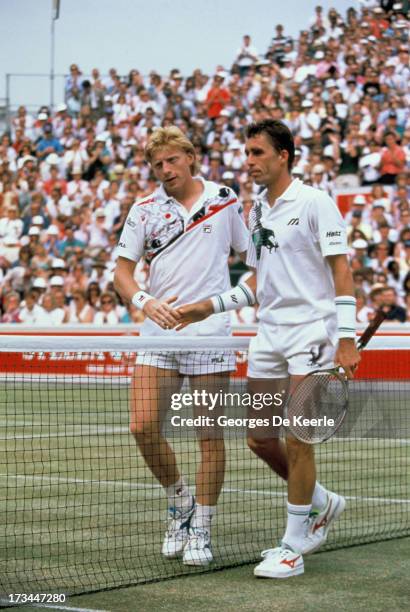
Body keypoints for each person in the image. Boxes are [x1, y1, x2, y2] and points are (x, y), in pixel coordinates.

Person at [175, 119, 360, 578]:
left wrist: (348, 335)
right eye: (247, 153)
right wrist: (209, 306)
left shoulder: (316, 202)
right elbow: (257, 282)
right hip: (269, 334)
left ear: (284, 156)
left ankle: (294, 546)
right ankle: (321, 501)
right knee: (259, 438)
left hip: (312, 333)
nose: (249, 162)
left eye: (258, 153)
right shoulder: (256, 210)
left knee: (298, 437)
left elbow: (341, 270)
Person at [113, 126, 249, 566]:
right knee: (142, 425)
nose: (165, 170)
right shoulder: (144, 209)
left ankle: (202, 529)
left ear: (190, 157)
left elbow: (253, 258)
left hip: (209, 334)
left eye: (172, 160)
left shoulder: (225, 199)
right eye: (157, 164)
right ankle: (180, 503)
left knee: (209, 437)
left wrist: (221, 304)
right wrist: (145, 301)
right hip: (160, 332)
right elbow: (122, 273)